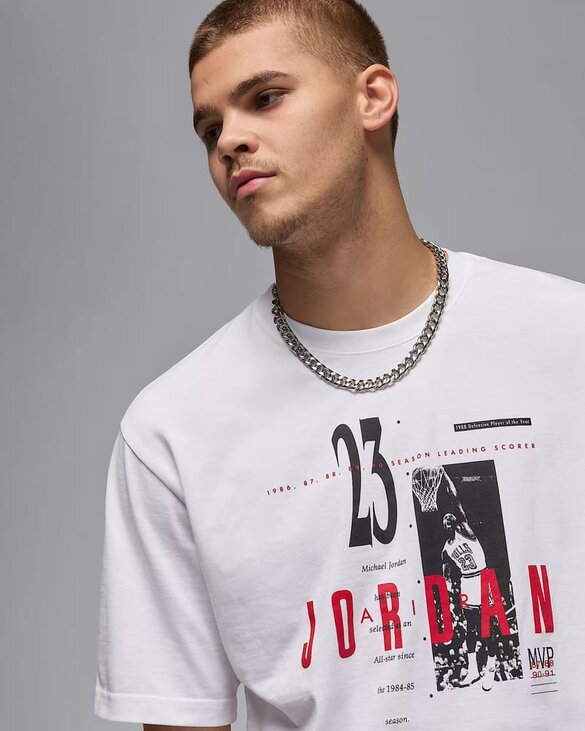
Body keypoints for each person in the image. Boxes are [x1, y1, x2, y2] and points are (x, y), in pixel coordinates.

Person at [93, 1, 585, 729]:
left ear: (372, 98)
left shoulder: (568, 341)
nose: (230, 141)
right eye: (209, 128)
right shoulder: (173, 431)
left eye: (265, 98)